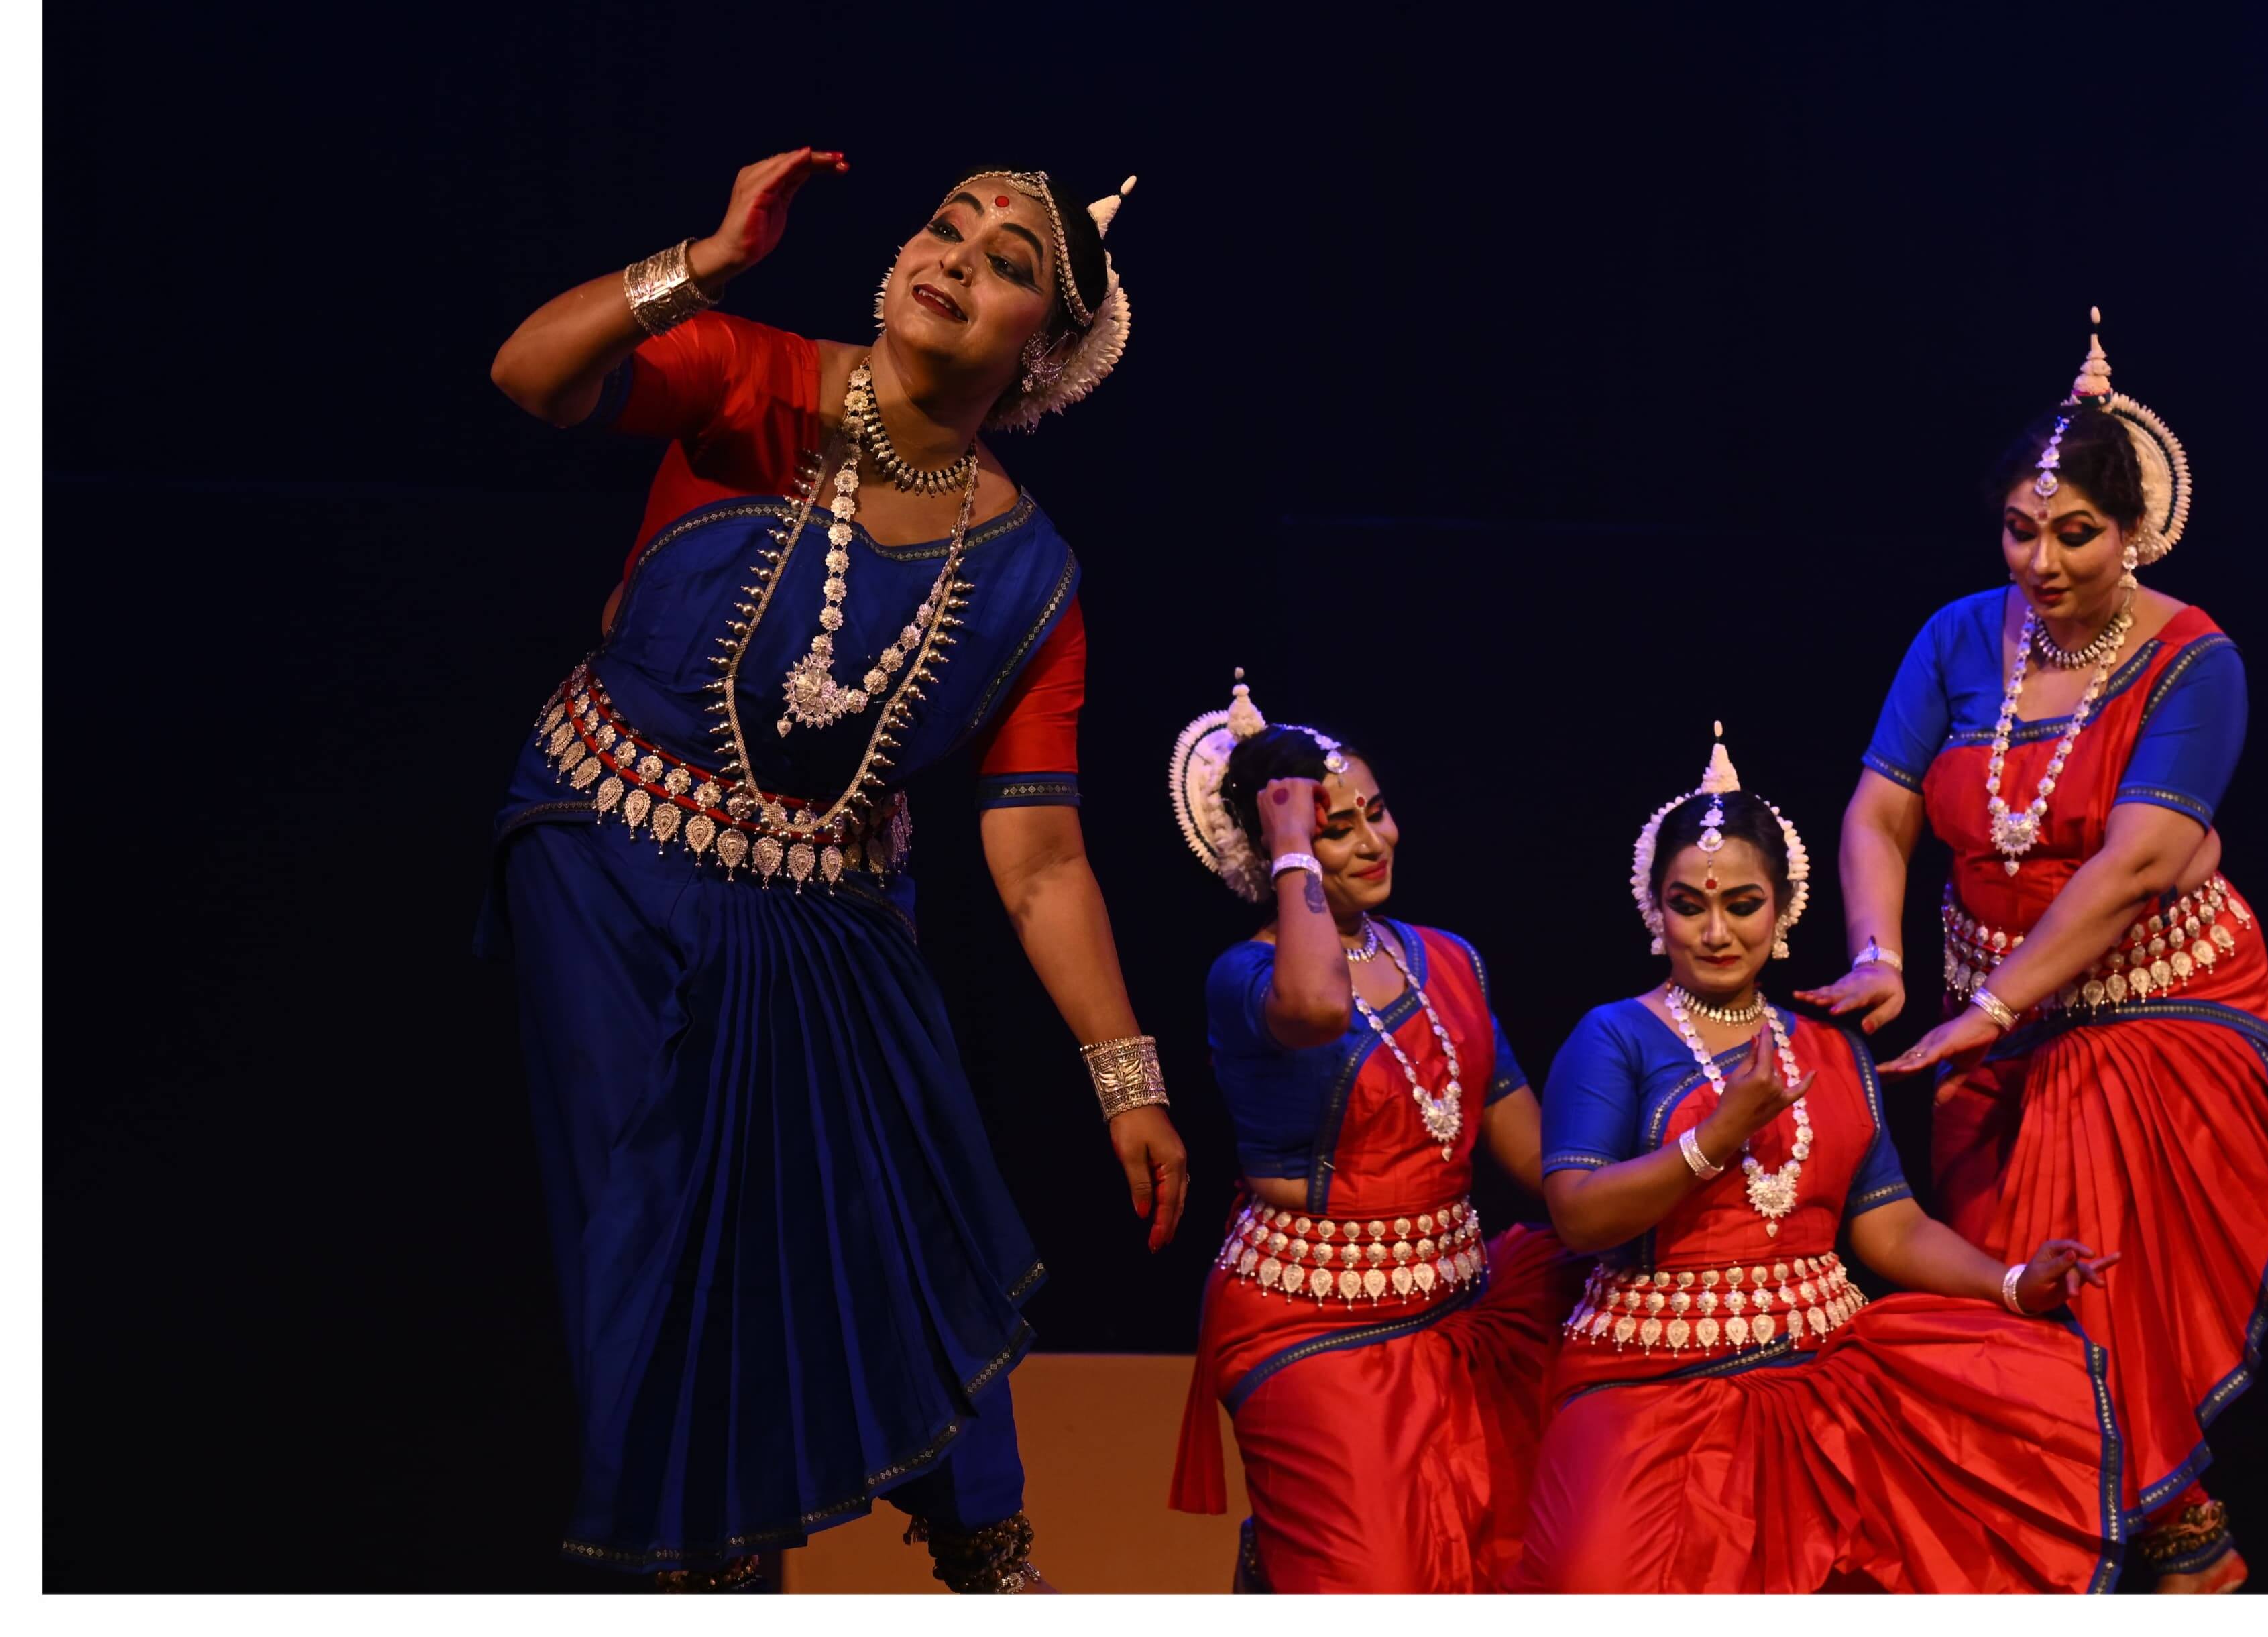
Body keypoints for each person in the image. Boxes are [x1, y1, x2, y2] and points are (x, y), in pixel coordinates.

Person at [478, 148, 1188, 1590]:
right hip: (604, 852)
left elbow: (1040, 854)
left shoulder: (1032, 578)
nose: (956, 260)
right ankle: (700, 1570)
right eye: (946, 227)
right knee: (661, 1218)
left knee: (913, 1219)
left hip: (827, 908)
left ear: (1045, 352)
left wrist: (1128, 1077)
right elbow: (530, 377)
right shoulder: (754, 378)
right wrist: (708, 261)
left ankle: (988, 1562)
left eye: (1007, 265)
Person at [1806, 312, 2268, 1591]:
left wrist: (1999, 1004)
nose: (2044, 560)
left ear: (2135, 532)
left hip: (2153, 1012)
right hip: (1985, 1022)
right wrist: (1882, 955)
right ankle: (2174, 1557)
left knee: (2092, 1285)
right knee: (2004, 1301)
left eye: (2075, 532)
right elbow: (1881, 810)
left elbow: (2134, 865)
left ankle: (2162, 1560)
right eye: (2022, 532)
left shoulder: (2194, 661)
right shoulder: (1960, 636)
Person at [1510, 730, 2129, 1594]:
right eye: (1689, 906)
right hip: (1648, 1379)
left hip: (1820, 1375)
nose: (1717, 932)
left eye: (1743, 905)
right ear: (1655, 910)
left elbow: (1891, 1228)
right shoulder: (1614, 1036)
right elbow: (1578, 1215)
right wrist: (1717, 1136)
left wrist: (2014, 1282)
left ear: (1785, 908)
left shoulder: (1831, 1049)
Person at [1163, 675, 1573, 1591]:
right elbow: (1317, 1007)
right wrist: (1290, 846)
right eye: (1334, 829)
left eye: (1375, 814)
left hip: (1458, 1309)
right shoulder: (1248, 977)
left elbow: (1539, 1161)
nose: (1373, 843)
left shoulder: (1449, 960)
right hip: (1309, 1325)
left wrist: (1683, 1169)